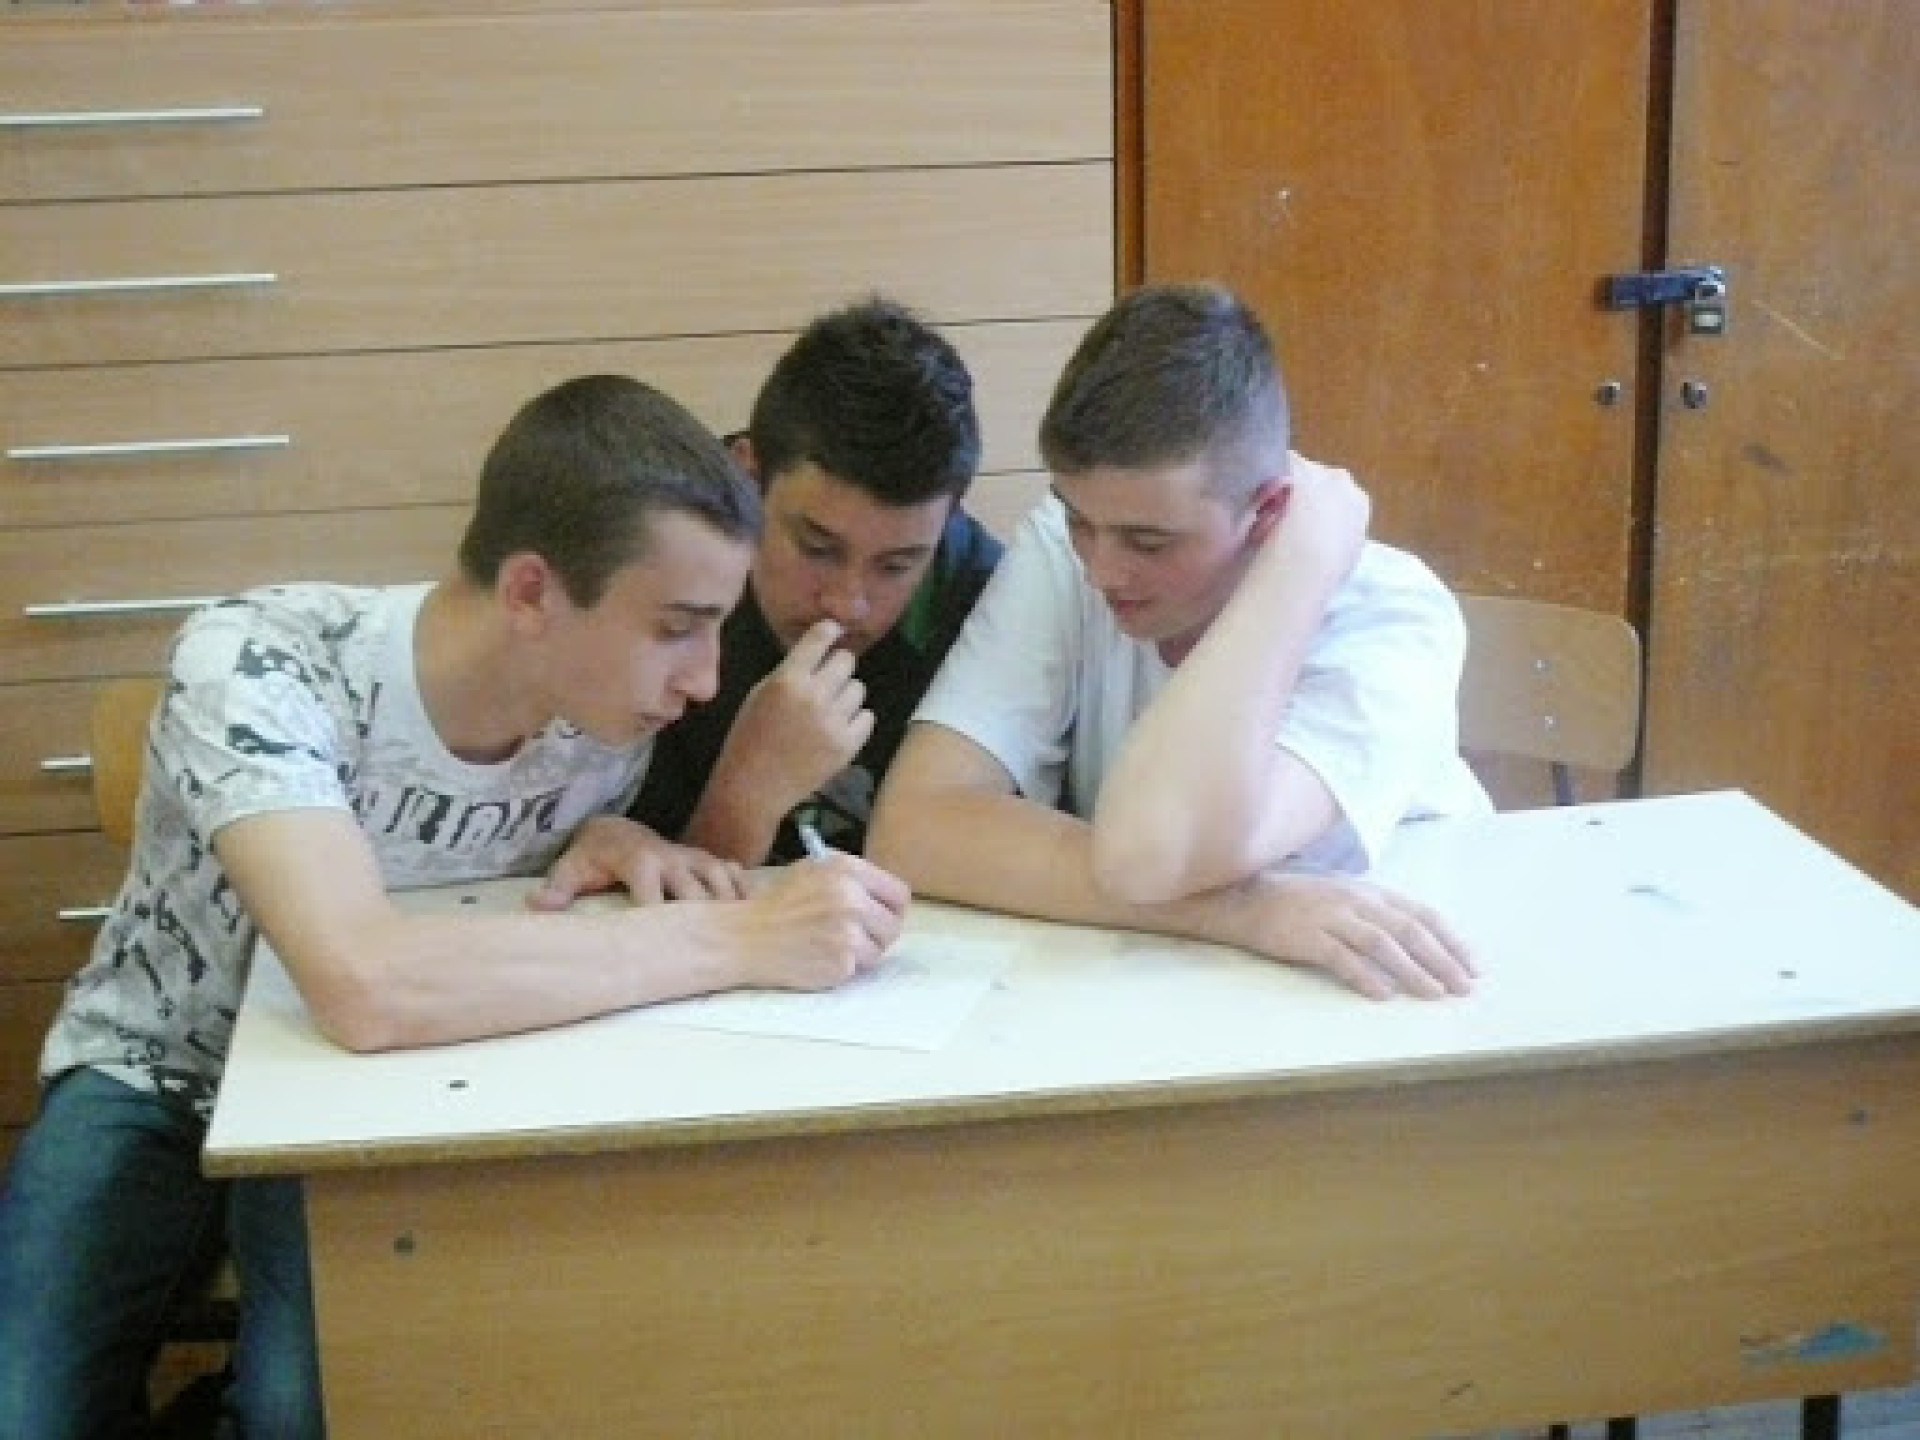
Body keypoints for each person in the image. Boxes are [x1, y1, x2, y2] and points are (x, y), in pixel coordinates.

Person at [0, 375, 909, 1440]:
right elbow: (366, 983)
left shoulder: (605, 724)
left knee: (316, 1408)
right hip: (160, 1068)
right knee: (26, 1408)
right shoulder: (259, 664)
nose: (706, 680)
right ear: (530, 593)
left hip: (398, 1089)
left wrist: (641, 840)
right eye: (677, 628)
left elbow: (616, 945)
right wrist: (741, 933)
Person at [868, 282, 1490, 1001]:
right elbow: (913, 827)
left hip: (1403, 996)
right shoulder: (1067, 543)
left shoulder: (1395, 618)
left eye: (1149, 542)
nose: (1102, 570)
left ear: (1270, 514)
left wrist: (1296, 569)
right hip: (1187, 988)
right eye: (1079, 521)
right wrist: (1246, 912)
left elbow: (1152, 853)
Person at [619, 296, 1001, 868]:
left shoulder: (994, 607)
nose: (847, 605)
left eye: (896, 566)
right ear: (747, 477)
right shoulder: (658, 578)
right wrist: (748, 792)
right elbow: (635, 896)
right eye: (817, 548)